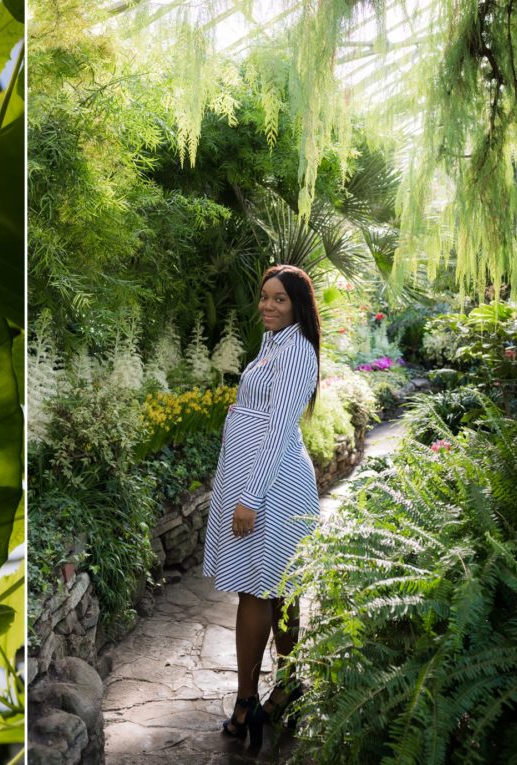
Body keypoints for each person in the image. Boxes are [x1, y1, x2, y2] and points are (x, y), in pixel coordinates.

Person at [201, 264, 321, 746]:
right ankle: (287, 688)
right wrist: (242, 408)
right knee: (280, 589)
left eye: (280, 300)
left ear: (297, 307)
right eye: (265, 297)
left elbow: (278, 429)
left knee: (258, 591)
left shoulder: (296, 351)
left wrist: (250, 498)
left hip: (270, 487)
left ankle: (247, 701)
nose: (268, 306)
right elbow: (270, 409)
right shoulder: (276, 344)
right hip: (260, 478)